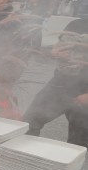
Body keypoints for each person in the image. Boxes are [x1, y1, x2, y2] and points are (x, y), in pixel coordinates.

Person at [24, 18, 88, 149]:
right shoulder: (77, 23)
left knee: (78, 143)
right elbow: (58, 46)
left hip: (84, 92)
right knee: (28, 123)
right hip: (59, 85)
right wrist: (54, 53)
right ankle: (23, 160)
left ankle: (69, 167)